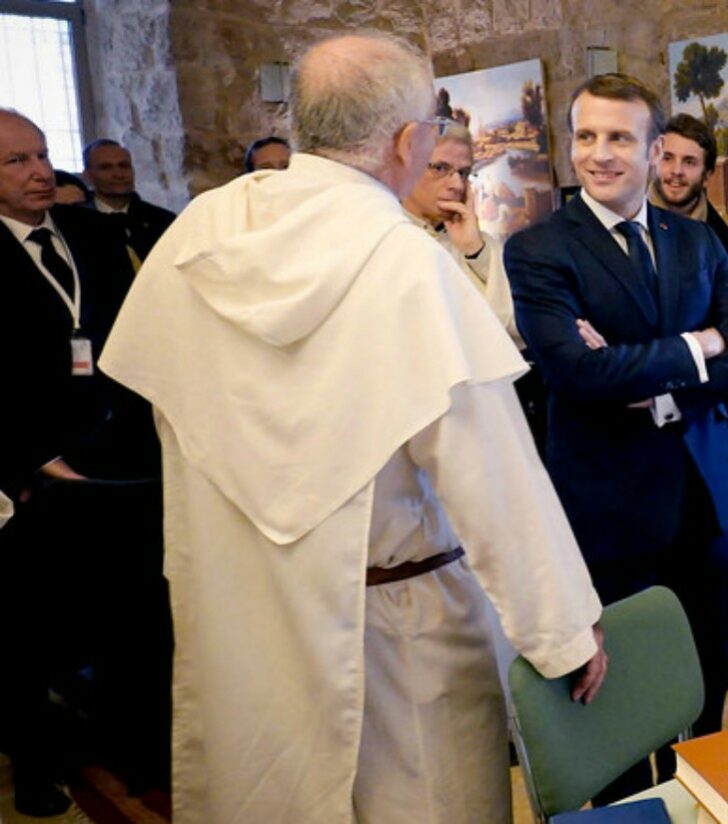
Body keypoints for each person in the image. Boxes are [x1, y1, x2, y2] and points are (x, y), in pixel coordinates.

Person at [96, 34, 609, 823]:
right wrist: (566, 633)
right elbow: (492, 476)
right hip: (403, 637)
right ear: (411, 141)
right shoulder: (405, 261)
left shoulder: (200, 232)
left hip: (249, 606)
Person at [504, 73, 728, 796]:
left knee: (706, 695)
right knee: (617, 714)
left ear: (653, 151)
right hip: (608, 512)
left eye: (619, 137)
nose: (600, 154)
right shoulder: (539, 250)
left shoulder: (697, 242)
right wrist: (694, 345)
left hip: (701, 503)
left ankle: (703, 804)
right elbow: (574, 375)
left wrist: (628, 365)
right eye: (586, 136)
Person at [0, 106, 162, 817]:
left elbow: (141, 336)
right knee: (27, 633)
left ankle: (137, 745)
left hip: (117, 459)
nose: (39, 172)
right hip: (30, 476)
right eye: (16, 162)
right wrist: (27, 464)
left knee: (133, 615)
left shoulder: (92, 232)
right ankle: (38, 762)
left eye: (41, 155)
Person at [401, 122, 519, 344]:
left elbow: (516, 329)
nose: (456, 184)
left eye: (463, 173)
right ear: (409, 167)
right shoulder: (384, 237)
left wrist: (475, 251)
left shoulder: (484, 246)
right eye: (440, 168)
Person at [651, 113, 728, 253]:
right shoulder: (626, 223)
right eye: (667, 158)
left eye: (689, 162)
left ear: (707, 175)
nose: (677, 171)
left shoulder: (724, 246)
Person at [81, 138, 175, 259]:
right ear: (88, 175)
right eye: (106, 167)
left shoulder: (162, 220)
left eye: (124, 166)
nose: (119, 174)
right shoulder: (76, 224)